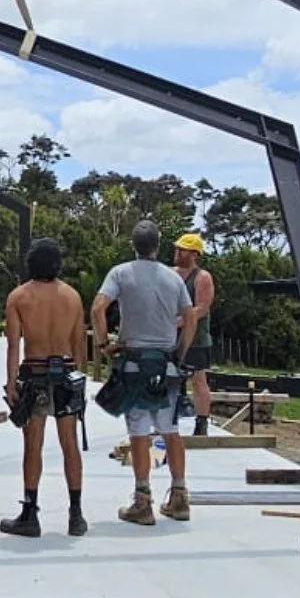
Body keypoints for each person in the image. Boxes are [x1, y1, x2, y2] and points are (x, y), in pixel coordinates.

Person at [90, 220, 196, 526]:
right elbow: (189, 318)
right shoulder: (172, 278)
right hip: (166, 365)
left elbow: (98, 308)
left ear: (133, 245)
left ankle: (143, 501)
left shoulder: (121, 273)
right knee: (171, 431)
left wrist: (103, 344)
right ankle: (179, 498)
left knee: (138, 434)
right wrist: (180, 351)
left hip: (134, 365)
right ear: (158, 245)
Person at [0, 237, 89, 539]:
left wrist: (11, 384)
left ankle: (30, 513)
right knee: (70, 444)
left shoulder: (18, 297)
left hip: (34, 374)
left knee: (32, 445)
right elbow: (79, 347)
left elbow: (14, 346)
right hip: (65, 374)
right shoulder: (73, 297)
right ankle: (75, 515)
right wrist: (79, 382)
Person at [171, 231, 214, 435]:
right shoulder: (171, 274)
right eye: (177, 249)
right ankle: (168, 419)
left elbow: (202, 308)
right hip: (172, 338)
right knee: (168, 376)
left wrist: (180, 321)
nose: (177, 253)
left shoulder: (202, 277)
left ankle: (202, 422)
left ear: (194, 254)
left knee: (198, 379)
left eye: (182, 250)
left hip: (196, 338)